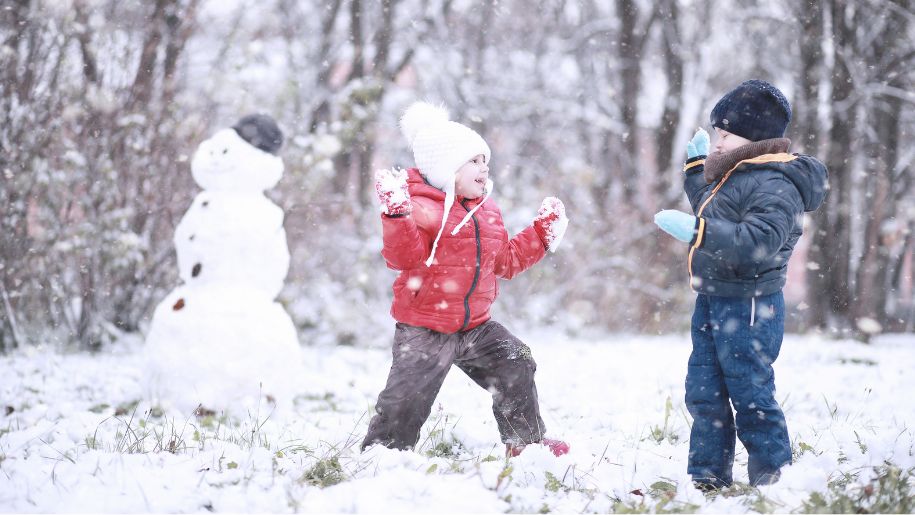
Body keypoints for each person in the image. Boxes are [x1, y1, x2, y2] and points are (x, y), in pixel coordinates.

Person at [362, 101, 570, 457]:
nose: (483, 168)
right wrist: (397, 215)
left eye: (485, 161)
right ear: (445, 168)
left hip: (475, 326)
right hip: (426, 328)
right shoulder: (420, 205)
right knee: (407, 397)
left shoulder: (486, 211)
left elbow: (504, 262)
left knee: (515, 360)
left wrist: (541, 235)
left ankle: (525, 442)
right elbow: (403, 258)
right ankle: (384, 452)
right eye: (473, 161)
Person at [654, 80, 828, 489]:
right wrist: (697, 171)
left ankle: (775, 476)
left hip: (750, 306)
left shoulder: (776, 183)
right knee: (704, 390)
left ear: (753, 138)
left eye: (724, 134)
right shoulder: (737, 173)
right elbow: (716, 208)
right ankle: (708, 476)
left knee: (750, 394)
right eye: (716, 133)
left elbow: (757, 242)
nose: (717, 142)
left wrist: (698, 233)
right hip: (713, 298)